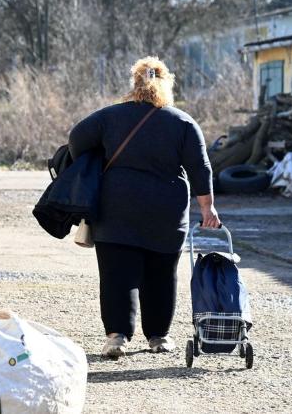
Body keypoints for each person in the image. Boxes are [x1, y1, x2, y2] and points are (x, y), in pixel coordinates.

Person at [68, 56, 220, 358]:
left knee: (116, 275)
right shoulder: (183, 122)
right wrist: (207, 208)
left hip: (115, 210)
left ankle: (116, 337)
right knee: (161, 274)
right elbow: (200, 168)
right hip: (165, 214)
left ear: (134, 85)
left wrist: (94, 163)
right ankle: (158, 337)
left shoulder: (108, 117)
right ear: (166, 85)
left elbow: (76, 139)